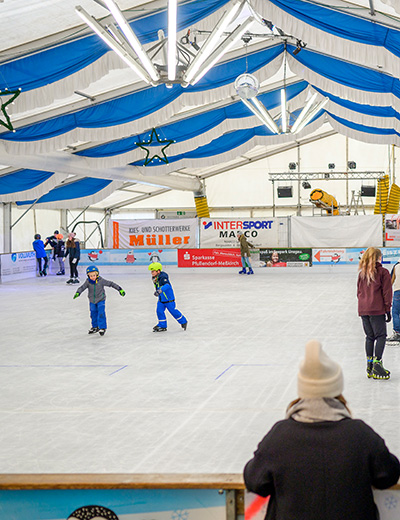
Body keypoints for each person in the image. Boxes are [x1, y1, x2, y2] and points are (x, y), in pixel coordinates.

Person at [244, 339, 400, 520]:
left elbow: (255, 481)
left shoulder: (280, 436)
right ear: (337, 390)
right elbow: (389, 474)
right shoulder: (360, 436)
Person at [357, 247, 392, 379]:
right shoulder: (383, 272)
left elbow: (358, 293)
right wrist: (387, 309)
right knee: (381, 336)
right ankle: (377, 364)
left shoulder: (361, 273)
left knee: (370, 337)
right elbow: (387, 293)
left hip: (363, 310)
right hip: (376, 309)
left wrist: (363, 307)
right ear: (378, 257)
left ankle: (369, 365)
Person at [73, 266, 126, 336]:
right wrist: (78, 292)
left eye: (94, 275)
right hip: (92, 300)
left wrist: (119, 289)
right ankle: (95, 327)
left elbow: (111, 284)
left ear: (97, 274)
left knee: (101, 313)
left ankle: (102, 327)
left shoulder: (101, 281)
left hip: (101, 299)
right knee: (93, 314)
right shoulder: (88, 282)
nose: (92, 277)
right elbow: (82, 287)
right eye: (90, 276)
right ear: (88, 275)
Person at [148, 262, 188, 332]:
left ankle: (183, 321)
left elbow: (167, 285)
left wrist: (159, 291)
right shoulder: (155, 277)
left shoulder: (163, 277)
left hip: (169, 299)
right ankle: (162, 325)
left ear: (158, 271)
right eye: (151, 271)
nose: (152, 273)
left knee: (173, 311)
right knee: (159, 311)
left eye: (153, 271)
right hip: (161, 299)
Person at [387, 260, 400, 343]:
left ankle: (397, 333)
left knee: (395, 313)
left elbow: (390, 281)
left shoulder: (396, 266)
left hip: (398, 291)